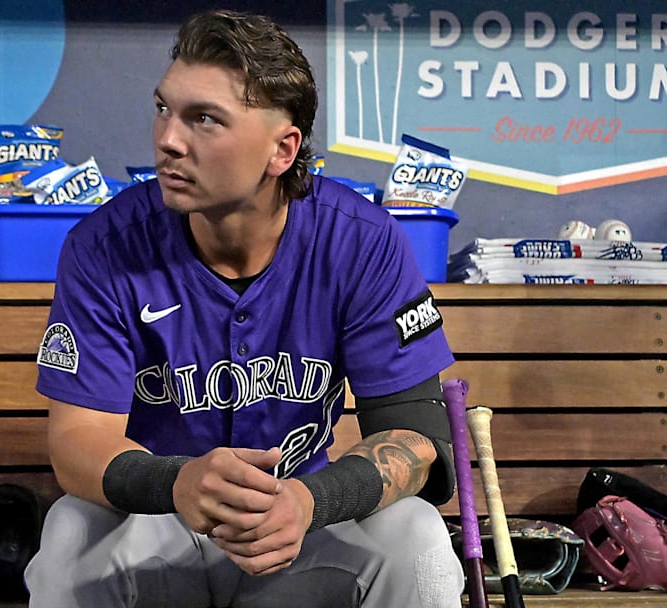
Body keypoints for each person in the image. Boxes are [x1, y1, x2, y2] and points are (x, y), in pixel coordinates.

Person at [25, 9, 463, 608]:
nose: (167, 139)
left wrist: (313, 502)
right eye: (164, 109)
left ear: (281, 150)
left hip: (301, 524)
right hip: (163, 517)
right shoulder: (105, 246)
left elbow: (419, 435)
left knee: (417, 536)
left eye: (203, 119)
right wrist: (176, 481)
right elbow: (75, 441)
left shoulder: (360, 240)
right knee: (71, 529)